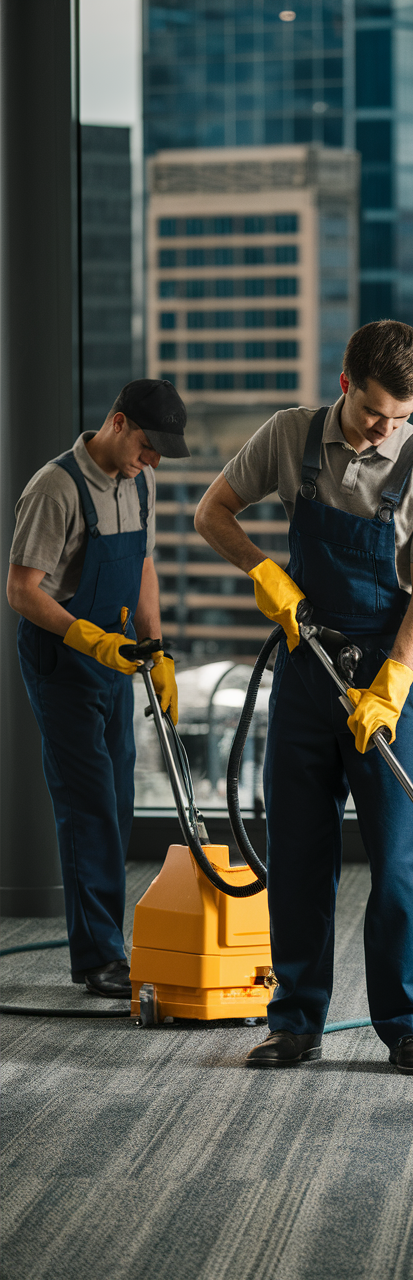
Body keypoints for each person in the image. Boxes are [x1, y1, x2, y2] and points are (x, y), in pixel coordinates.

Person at [195, 321, 413, 1073]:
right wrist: (263, 574)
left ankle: (406, 1025)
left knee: (399, 861)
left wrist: (394, 684)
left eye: (402, 416)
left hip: (387, 675)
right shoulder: (289, 437)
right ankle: (295, 1021)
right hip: (307, 673)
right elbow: (212, 512)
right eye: (376, 412)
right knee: (299, 853)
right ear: (345, 384)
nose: (386, 429)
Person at [6, 379, 188, 998]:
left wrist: (156, 649)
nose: (152, 459)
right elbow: (22, 589)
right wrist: (86, 638)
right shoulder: (55, 487)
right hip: (62, 657)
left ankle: (106, 940)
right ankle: (97, 958)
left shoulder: (141, 482)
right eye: (146, 444)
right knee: (87, 804)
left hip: (118, 656)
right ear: (116, 423)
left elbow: (140, 564)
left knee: (115, 801)